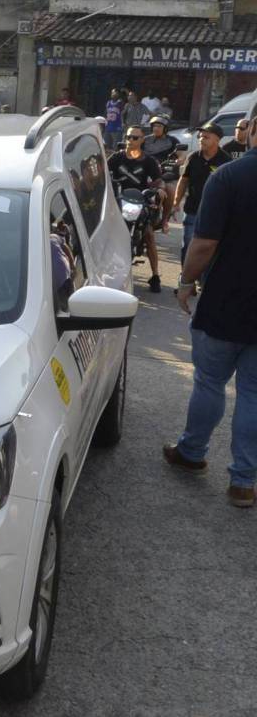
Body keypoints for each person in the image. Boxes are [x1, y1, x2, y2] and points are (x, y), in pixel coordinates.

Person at [164, 139, 257, 508]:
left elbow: (203, 244)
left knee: (209, 381)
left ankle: (191, 452)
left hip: (225, 301)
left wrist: (186, 282)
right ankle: (243, 482)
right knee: (253, 393)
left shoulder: (230, 176)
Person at [108, 125, 165, 292]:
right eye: (128, 137)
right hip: (118, 202)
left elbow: (158, 180)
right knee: (105, 233)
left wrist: (160, 189)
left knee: (149, 235)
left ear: (142, 140)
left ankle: (155, 276)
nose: (130, 140)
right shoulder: (116, 158)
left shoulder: (148, 161)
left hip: (140, 202)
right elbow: (102, 174)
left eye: (135, 138)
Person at [173, 123, 230, 265]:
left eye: (206, 137)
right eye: (200, 136)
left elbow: (231, 188)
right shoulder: (193, 157)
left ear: (217, 140)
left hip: (215, 213)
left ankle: (204, 276)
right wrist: (176, 202)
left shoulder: (226, 161)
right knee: (188, 244)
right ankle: (185, 276)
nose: (201, 139)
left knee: (210, 248)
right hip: (192, 210)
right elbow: (183, 180)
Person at [143, 116, 178, 223]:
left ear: (165, 128)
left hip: (164, 171)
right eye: (154, 126)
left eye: (159, 126)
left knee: (170, 190)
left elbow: (181, 155)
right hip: (144, 170)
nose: (156, 128)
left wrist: (178, 161)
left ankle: (164, 220)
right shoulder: (145, 140)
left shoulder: (173, 141)